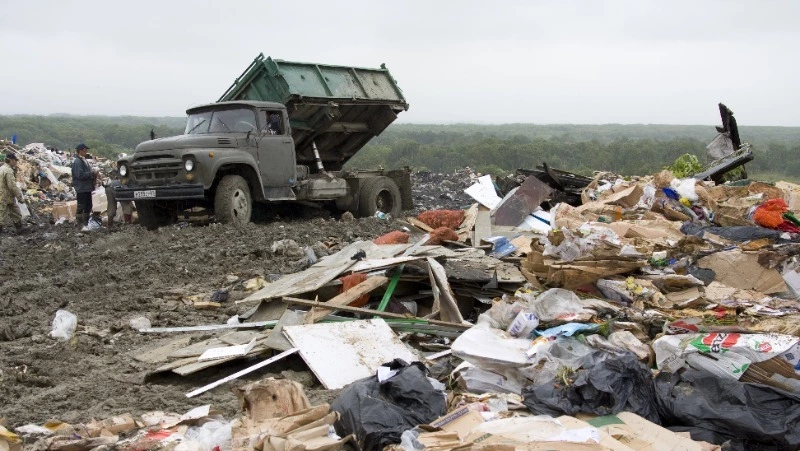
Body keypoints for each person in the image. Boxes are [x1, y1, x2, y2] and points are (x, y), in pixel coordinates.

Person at [0, 153, 27, 234]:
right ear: (11, 160)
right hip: (4, 195)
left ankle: (19, 227)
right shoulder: (8, 171)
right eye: (15, 161)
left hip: (5, 195)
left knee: (14, 210)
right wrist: (19, 197)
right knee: (1, 214)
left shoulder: (1, 168)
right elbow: (12, 186)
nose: (16, 163)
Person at [71, 143, 97, 227]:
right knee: (81, 205)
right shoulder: (78, 161)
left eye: (86, 150)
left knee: (88, 205)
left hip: (87, 187)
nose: (86, 152)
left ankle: (86, 223)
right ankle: (80, 224)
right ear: (80, 151)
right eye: (84, 150)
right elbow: (80, 175)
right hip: (82, 187)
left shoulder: (84, 160)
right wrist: (91, 173)